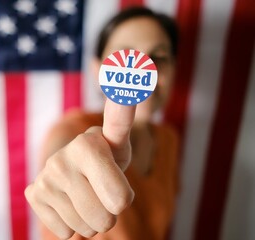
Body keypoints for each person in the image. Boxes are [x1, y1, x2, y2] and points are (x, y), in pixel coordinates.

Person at [25, 7, 180, 240]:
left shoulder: (169, 139)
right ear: (98, 71)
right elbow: (64, 150)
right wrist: (63, 169)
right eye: (127, 57)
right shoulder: (74, 129)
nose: (145, 71)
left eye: (159, 58)